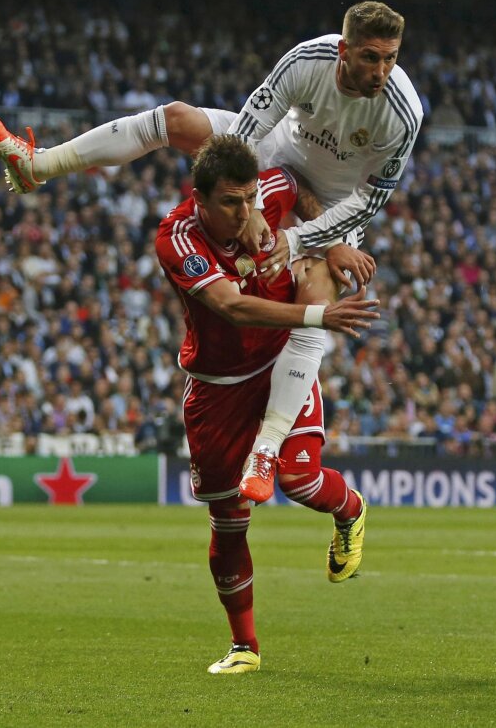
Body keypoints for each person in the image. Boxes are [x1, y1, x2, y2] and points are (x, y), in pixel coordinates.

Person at [0, 0, 422, 501]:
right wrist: (251, 195)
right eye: (371, 57)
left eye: (390, 58)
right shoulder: (307, 62)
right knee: (175, 118)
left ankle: (268, 448)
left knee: (317, 298)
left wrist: (304, 237)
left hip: (330, 207)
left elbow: (369, 201)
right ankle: (37, 165)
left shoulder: (402, 114)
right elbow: (246, 130)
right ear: (344, 50)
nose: (382, 71)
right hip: (271, 155)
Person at [156, 135, 380, 674]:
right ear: (200, 200)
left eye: (248, 198)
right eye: (229, 203)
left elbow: (298, 188)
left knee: (298, 481)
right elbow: (230, 306)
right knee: (228, 519)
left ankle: (350, 509)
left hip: (282, 365)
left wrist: (331, 244)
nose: (243, 212)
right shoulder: (177, 239)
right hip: (216, 387)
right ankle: (245, 648)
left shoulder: (269, 194)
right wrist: (317, 317)